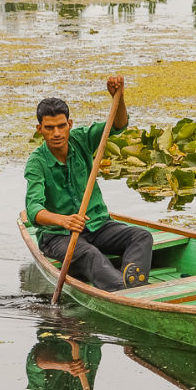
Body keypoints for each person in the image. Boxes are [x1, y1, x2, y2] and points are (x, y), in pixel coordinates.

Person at [24, 76, 153, 292]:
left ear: (69, 124)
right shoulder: (36, 162)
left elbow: (118, 125)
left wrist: (118, 98)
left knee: (141, 236)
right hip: (58, 235)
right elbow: (33, 209)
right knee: (90, 254)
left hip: (97, 224)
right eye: (49, 128)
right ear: (40, 129)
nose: (56, 133)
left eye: (61, 126)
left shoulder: (82, 139)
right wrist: (64, 221)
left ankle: (136, 282)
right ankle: (121, 291)